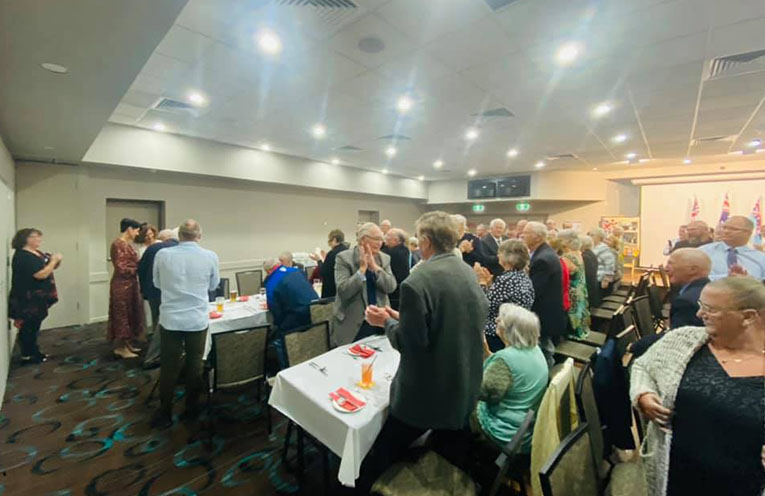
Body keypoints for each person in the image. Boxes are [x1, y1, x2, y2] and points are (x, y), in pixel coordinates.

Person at [360, 211, 489, 492]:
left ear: (427, 241)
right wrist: (401, 317)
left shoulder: (417, 282)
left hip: (427, 395)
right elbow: (447, 321)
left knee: (382, 453)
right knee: (447, 450)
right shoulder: (466, 271)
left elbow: (410, 345)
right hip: (463, 385)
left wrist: (386, 323)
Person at [630, 277, 765, 496]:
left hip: (743, 484)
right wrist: (643, 394)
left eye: (710, 309)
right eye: (701, 305)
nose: (699, 314)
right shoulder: (683, 340)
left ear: (748, 316)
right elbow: (643, 366)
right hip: (676, 475)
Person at [151, 220, 219, 429]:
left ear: (179, 235)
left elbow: (156, 283)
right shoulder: (210, 256)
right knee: (195, 365)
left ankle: (165, 412)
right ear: (199, 236)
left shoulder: (162, 255)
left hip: (170, 319)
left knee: (169, 367)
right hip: (196, 319)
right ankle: (191, 409)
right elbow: (213, 286)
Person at [471, 304, 548, 451]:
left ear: (510, 330)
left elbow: (484, 393)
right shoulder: (534, 350)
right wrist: (486, 352)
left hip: (504, 430)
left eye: (500, 319)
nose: (496, 320)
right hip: (525, 427)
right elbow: (511, 373)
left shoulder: (505, 359)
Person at [630, 248, 711, 358]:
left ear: (692, 269)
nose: (666, 268)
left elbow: (676, 341)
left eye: (671, 264)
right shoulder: (705, 289)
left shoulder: (687, 302)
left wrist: (635, 346)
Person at [332, 222, 396, 346]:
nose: (380, 243)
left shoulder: (384, 258)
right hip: (352, 323)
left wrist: (375, 268)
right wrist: (361, 270)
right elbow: (344, 291)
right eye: (376, 239)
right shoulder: (344, 258)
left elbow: (391, 287)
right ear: (362, 240)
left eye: (381, 239)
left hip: (378, 320)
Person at [8, 228, 61, 364]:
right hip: (28, 299)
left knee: (34, 325)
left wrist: (55, 261)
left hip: (38, 297)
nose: (39, 239)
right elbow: (40, 274)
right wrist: (53, 261)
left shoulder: (36, 253)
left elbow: (48, 266)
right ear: (26, 239)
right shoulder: (24, 256)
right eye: (35, 236)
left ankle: (34, 351)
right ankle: (28, 355)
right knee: (29, 327)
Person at [474, 239, 535, 352]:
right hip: (515, 331)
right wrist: (489, 285)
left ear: (508, 257)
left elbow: (485, 305)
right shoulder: (523, 276)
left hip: (497, 333)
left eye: (500, 252)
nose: (497, 255)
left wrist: (482, 282)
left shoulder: (506, 280)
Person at [522, 221, 567, 366]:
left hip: (543, 314)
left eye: (526, 232)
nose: (522, 235)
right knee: (544, 348)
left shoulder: (542, 259)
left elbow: (533, 291)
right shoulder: (543, 253)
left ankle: (547, 375)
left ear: (537, 237)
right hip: (547, 312)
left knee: (543, 351)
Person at [138, 228, 179, 369]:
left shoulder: (151, 249)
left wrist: (144, 290)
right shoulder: (177, 249)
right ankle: (158, 354)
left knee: (157, 320)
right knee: (165, 324)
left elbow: (141, 269)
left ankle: (156, 352)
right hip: (168, 292)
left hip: (152, 291)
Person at [108, 218, 145, 359]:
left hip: (130, 284)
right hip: (122, 285)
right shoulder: (118, 244)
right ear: (129, 229)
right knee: (122, 315)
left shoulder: (126, 244)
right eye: (136, 231)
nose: (137, 234)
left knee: (130, 314)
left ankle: (127, 344)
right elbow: (121, 267)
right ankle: (120, 347)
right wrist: (139, 268)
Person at [270, 266, 319, 369]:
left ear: (268, 271)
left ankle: (286, 369)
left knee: (277, 337)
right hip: (315, 312)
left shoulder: (272, 281)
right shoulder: (297, 271)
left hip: (297, 317)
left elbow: (276, 312)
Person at [699, 215, 765, 281]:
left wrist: (747, 280)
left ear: (748, 233)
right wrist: (727, 277)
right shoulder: (703, 252)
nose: (726, 231)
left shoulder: (760, 258)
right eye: (724, 227)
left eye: (733, 229)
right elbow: (696, 279)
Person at [557, 229, 591, 340]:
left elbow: (562, 277)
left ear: (566, 242)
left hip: (572, 293)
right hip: (580, 289)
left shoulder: (567, 258)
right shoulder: (578, 253)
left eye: (559, 240)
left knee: (573, 318)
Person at [309, 229, 348, 299]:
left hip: (332, 291)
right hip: (345, 290)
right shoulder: (347, 251)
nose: (328, 243)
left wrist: (319, 260)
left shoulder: (332, 254)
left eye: (329, 240)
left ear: (334, 240)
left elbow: (324, 272)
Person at [384, 228, 410, 310]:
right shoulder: (403, 250)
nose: (385, 237)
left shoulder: (396, 252)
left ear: (396, 240)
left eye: (388, 235)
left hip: (395, 294)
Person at [589, 227, 616, 298]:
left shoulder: (604, 248)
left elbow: (610, 265)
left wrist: (606, 279)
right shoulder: (593, 247)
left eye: (592, 235)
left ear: (599, 237)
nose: (590, 237)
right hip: (595, 278)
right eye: (589, 235)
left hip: (601, 280)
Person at [580, 235, 601, 308]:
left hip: (589, 290)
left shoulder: (585, 256)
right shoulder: (591, 253)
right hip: (593, 287)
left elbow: (586, 275)